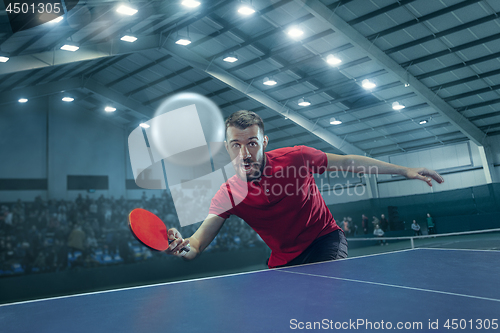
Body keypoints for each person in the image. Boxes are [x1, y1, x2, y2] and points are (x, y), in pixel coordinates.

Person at [165, 110, 444, 268]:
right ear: (227, 148)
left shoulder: (296, 158)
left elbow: (348, 162)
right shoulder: (228, 195)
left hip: (324, 241)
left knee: (325, 301)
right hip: (283, 259)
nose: (245, 153)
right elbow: (197, 245)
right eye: (235, 145)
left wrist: (404, 170)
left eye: (252, 142)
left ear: (264, 142)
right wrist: (182, 246)